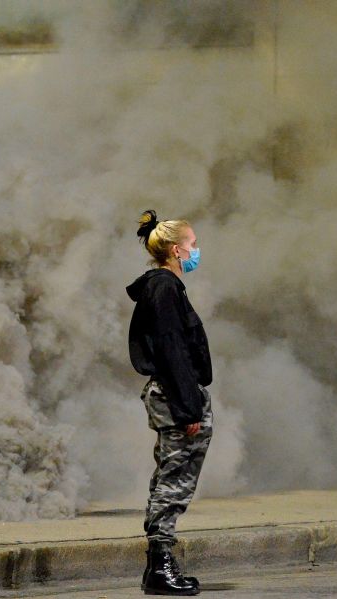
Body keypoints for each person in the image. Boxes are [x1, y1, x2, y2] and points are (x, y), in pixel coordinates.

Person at [126, 210, 213, 596]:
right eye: (192, 245)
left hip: (177, 394)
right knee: (173, 482)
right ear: (177, 250)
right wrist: (188, 408)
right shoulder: (163, 288)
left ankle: (157, 568)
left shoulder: (166, 288)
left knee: (172, 478)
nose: (197, 251)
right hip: (176, 397)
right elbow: (172, 350)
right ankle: (161, 567)